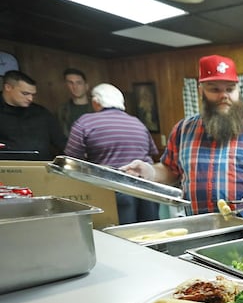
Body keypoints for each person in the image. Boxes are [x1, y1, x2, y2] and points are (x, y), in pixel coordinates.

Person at [122, 55, 243, 233]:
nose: (224, 96)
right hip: (199, 234)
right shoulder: (183, 130)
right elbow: (171, 169)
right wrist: (150, 171)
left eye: (230, 89)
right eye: (214, 89)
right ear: (201, 90)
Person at [65, 83, 160, 224]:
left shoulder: (85, 122)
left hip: (114, 190)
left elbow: (71, 162)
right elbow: (151, 153)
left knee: (122, 237)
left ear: (95, 102)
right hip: (146, 189)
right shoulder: (137, 122)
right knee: (152, 233)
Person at [0, 70, 66, 160]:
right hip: (6, 170)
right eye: (25, 93)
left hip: (40, 169)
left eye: (33, 95)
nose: (30, 99)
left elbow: (61, 141)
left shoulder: (41, 113)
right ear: (8, 87)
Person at [57, 68, 93, 136]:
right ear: (66, 86)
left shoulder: (98, 107)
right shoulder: (62, 110)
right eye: (70, 83)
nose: (75, 86)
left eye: (79, 83)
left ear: (86, 86)